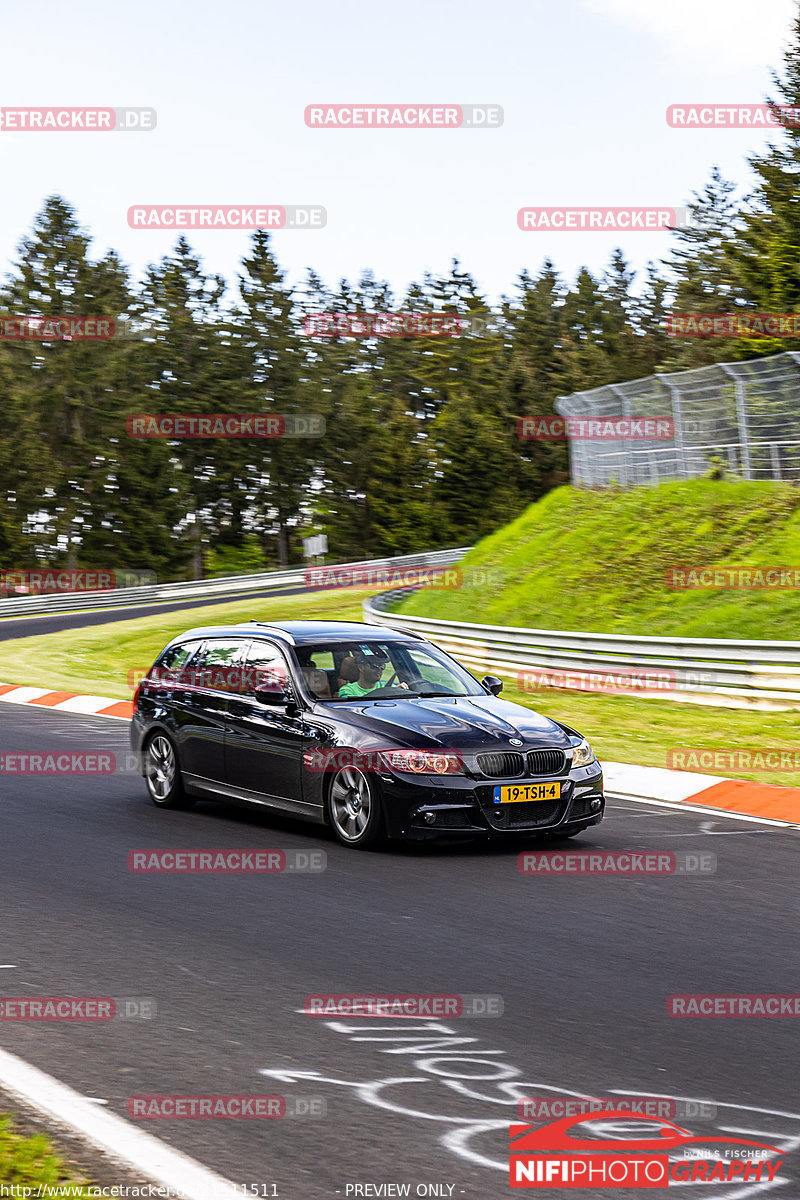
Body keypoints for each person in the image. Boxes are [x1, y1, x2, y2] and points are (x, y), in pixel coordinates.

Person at [337, 648, 407, 698]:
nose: (380, 669)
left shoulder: (388, 687)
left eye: (382, 666)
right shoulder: (347, 690)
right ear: (361, 667)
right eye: (375, 666)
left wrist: (399, 691)